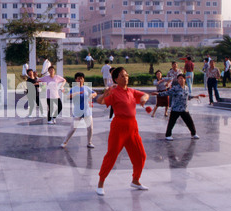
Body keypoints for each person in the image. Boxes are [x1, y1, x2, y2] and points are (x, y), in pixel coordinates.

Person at [96, 67, 150, 195]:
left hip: (132, 127)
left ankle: (135, 180)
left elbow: (145, 94)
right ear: (115, 79)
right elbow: (100, 101)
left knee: (141, 155)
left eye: (126, 75)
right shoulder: (114, 92)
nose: (125, 78)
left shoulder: (131, 91)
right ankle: (101, 183)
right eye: (122, 76)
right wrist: (105, 94)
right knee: (112, 155)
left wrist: (143, 99)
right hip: (119, 127)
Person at [153, 74, 203, 141]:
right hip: (176, 109)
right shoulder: (175, 88)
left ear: (184, 79)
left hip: (184, 109)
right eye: (179, 79)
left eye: (182, 78)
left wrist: (195, 97)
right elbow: (167, 93)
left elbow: (187, 96)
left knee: (190, 122)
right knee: (171, 123)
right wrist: (158, 94)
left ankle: (193, 134)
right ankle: (168, 135)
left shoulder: (186, 88)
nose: (180, 80)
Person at [61, 72, 97, 149]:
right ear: (76, 80)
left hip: (87, 111)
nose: (80, 80)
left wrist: (92, 95)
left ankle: (89, 142)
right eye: (78, 78)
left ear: (83, 79)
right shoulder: (73, 89)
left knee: (90, 128)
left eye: (81, 78)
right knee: (73, 128)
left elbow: (95, 93)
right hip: (77, 112)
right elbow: (68, 96)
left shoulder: (87, 88)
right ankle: (65, 142)